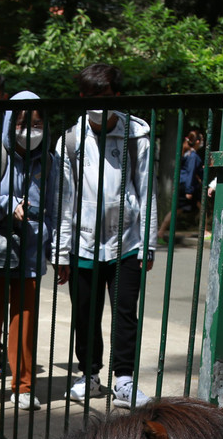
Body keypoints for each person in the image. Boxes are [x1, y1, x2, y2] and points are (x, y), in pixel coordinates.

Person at [53, 62, 157, 409]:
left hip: (126, 241)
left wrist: (148, 242)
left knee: (126, 311)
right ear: (82, 98)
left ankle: (124, 380)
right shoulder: (69, 139)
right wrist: (61, 251)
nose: (98, 104)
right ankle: (90, 375)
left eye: (105, 96)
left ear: (117, 96)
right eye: (90, 97)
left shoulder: (137, 135)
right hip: (82, 242)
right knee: (85, 313)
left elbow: (147, 191)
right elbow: (64, 200)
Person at [0, 92, 61, 409]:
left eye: (36, 123)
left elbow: (56, 208)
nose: (29, 129)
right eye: (21, 122)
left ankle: (23, 386)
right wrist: (5, 207)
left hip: (30, 251)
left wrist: (56, 249)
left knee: (25, 322)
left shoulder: (49, 162)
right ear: (8, 124)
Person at [157, 126, 203, 241]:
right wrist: (189, 190)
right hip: (188, 186)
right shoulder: (193, 156)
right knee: (179, 210)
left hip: (184, 185)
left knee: (199, 208)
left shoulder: (187, 154)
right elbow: (190, 173)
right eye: (201, 140)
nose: (202, 142)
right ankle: (161, 232)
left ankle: (160, 232)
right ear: (197, 142)